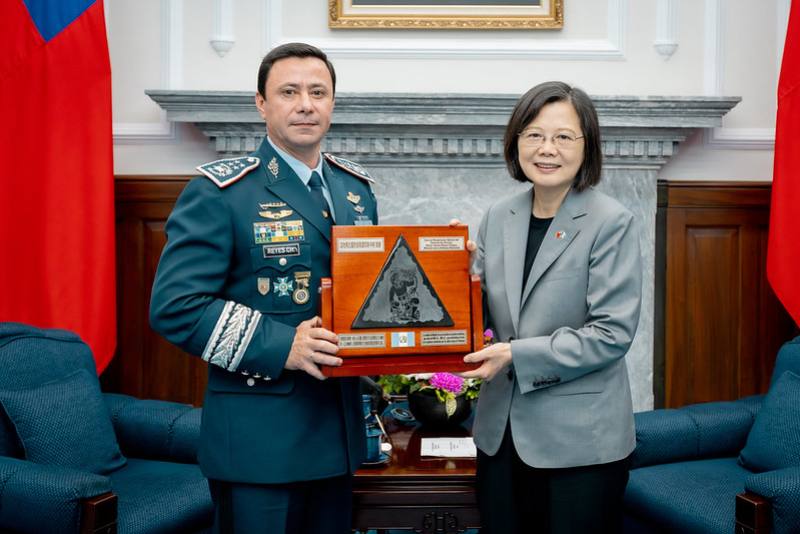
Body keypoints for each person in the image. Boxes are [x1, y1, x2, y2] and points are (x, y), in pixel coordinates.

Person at [149, 42, 378, 533]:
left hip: (337, 436)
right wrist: (283, 345)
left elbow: (360, 296)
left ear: (333, 102)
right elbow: (175, 306)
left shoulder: (355, 190)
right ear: (261, 103)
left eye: (318, 92)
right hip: (259, 443)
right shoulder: (221, 191)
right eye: (289, 91)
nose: (305, 104)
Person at [462, 81, 642, 533]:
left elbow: (611, 335)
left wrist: (515, 354)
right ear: (516, 141)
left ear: (587, 146)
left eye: (563, 137)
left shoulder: (610, 221)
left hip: (579, 443)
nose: (547, 149)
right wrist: (458, 276)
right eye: (534, 135)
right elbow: (483, 320)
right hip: (499, 435)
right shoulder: (499, 215)